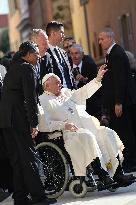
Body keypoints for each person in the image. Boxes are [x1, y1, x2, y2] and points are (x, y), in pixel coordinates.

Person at [38, 68, 135, 188]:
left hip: (88, 127)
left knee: (106, 132)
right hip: (69, 134)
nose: (61, 84)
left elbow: (84, 92)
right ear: (47, 86)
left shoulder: (66, 93)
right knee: (87, 136)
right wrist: (64, 125)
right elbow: (44, 124)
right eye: (57, 83)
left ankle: (118, 174)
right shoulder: (43, 101)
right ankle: (103, 176)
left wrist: (97, 79)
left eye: (60, 82)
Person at [0, 41, 56, 205]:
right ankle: (39, 197)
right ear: (29, 54)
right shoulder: (26, 68)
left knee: (17, 160)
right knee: (29, 158)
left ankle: (20, 197)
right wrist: (34, 123)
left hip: (5, 121)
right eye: (37, 54)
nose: (39, 57)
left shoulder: (14, 66)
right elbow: (30, 99)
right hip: (17, 120)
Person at [98, 27, 136, 172]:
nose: (100, 42)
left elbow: (120, 80)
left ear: (110, 38)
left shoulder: (117, 54)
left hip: (121, 103)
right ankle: (128, 160)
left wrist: (118, 102)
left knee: (125, 132)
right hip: (117, 102)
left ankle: (131, 162)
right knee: (121, 132)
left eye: (102, 39)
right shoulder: (112, 53)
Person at [70, 43, 102, 119]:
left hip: (91, 105)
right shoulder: (67, 67)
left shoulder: (90, 65)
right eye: (72, 54)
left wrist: (84, 80)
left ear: (82, 54)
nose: (74, 56)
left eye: (76, 53)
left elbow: (97, 84)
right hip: (75, 106)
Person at [46, 21, 75, 89]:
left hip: (69, 94)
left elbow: (69, 74)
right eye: (61, 32)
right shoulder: (44, 53)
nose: (63, 35)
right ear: (53, 33)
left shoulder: (62, 52)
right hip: (56, 96)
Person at [30, 29, 52, 96]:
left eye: (47, 43)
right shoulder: (24, 61)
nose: (47, 47)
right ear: (34, 45)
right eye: (44, 44)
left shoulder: (47, 57)